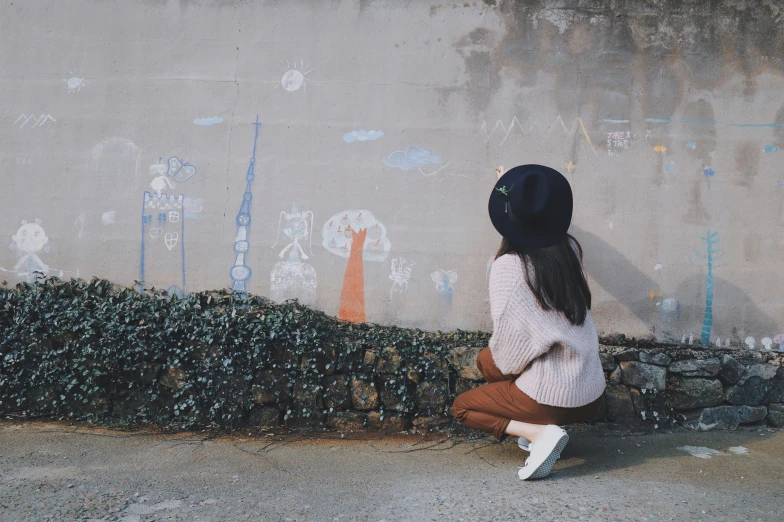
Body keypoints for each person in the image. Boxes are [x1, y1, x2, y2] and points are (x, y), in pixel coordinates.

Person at [451, 164, 605, 480]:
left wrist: (508, 201)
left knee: (464, 405)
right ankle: (534, 426)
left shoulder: (506, 266)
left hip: (551, 396)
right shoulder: (570, 249)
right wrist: (515, 197)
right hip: (590, 392)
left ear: (509, 219)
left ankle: (538, 433)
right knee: (489, 362)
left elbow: (509, 356)